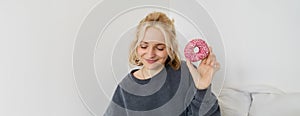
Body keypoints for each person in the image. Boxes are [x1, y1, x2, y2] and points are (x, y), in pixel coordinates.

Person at [104, 11, 221, 116]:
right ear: (136, 47)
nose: (150, 54)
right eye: (144, 46)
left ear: (170, 49)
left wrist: (202, 88)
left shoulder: (185, 73)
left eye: (159, 48)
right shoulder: (125, 87)